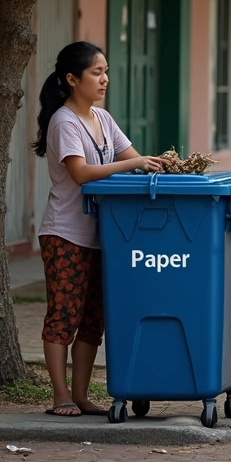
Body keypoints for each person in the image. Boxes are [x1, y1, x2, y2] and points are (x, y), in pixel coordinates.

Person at [31, 41, 166, 417]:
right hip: (65, 235)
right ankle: (59, 397)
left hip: (102, 237)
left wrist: (161, 165)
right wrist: (135, 163)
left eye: (106, 71)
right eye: (96, 72)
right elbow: (81, 174)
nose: (104, 79)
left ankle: (81, 395)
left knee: (93, 319)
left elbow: (135, 160)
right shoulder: (64, 121)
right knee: (64, 315)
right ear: (72, 79)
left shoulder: (103, 119)